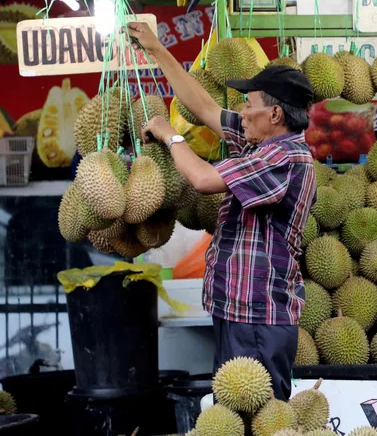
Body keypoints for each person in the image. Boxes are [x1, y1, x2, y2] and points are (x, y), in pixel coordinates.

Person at [127, 22, 316, 400]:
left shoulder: (285, 156)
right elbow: (204, 107)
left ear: (275, 114)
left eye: (249, 104)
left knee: (260, 425)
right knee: (234, 421)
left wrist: (170, 134)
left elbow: (203, 179)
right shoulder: (258, 145)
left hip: (258, 315)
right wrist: (157, 50)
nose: (242, 112)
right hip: (239, 309)